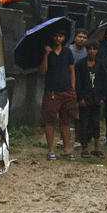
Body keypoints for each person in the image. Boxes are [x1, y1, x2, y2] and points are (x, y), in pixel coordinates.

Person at [40, 29, 77, 160]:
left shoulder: (68, 52)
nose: (57, 38)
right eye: (55, 35)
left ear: (64, 38)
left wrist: (72, 88)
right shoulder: (47, 52)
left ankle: (66, 149)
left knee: (65, 121)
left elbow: (71, 71)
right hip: (52, 92)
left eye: (60, 36)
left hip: (66, 91)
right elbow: (43, 71)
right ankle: (51, 149)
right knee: (50, 121)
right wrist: (45, 54)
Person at [75, 40, 105, 159]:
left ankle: (97, 148)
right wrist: (80, 98)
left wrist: (102, 97)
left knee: (95, 123)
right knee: (84, 123)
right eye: (90, 49)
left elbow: (104, 82)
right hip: (85, 98)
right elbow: (78, 83)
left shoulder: (101, 64)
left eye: (94, 49)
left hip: (96, 98)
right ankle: (84, 148)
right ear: (87, 50)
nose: (92, 51)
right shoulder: (80, 64)